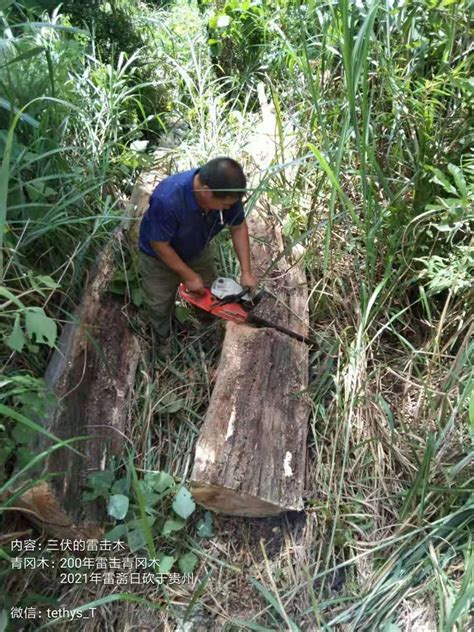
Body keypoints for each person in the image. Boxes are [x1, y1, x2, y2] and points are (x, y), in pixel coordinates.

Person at [138, 157, 257, 354]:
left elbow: (238, 227)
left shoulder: (227, 193)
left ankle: (208, 327)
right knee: (158, 303)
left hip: (196, 248)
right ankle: (162, 341)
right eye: (225, 206)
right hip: (158, 258)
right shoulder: (168, 199)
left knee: (211, 293)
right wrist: (188, 275)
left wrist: (246, 271)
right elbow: (159, 244)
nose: (229, 209)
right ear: (206, 191)